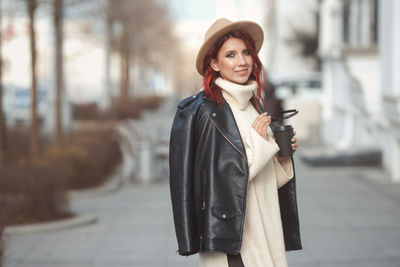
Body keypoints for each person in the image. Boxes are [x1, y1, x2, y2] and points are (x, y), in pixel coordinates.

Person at [169, 18, 302, 267]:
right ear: (214, 63)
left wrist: (280, 159)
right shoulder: (210, 113)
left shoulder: (253, 105)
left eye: (246, 52)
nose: (242, 62)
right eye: (230, 55)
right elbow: (220, 183)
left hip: (265, 231)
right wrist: (259, 144)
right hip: (234, 242)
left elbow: (260, 177)